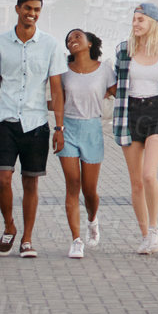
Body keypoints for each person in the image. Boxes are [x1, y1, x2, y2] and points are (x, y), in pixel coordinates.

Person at [0, 0, 66, 258]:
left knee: (31, 183)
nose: (32, 14)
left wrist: (59, 127)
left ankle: (27, 239)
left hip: (36, 124)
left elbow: (56, 89)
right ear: (17, 9)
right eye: (28, 8)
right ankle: (9, 226)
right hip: (5, 121)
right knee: (3, 179)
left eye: (37, 10)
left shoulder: (50, 45)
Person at [111, 2, 158, 255]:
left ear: (153, 23)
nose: (136, 23)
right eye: (134, 19)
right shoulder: (123, 50)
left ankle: (154, 230)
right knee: (136, 182)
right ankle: (145, 236)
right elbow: (114, 83)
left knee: (149, 175)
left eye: (141, 19)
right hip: (130, 114)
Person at [58, 29, 114, 259]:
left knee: (89, 190)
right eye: (69, 38)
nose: (72, 40)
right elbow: (58, 101)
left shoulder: (104, 70)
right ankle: (76, 240)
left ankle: (92, 220)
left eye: (77, 36)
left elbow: (118, 94)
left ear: (90, 43)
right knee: (73, 184)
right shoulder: (63, 71)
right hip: (68, 129)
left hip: (92, 130)